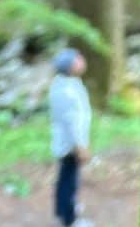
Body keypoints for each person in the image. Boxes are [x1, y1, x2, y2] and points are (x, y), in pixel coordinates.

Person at [49, 48, 92, 227]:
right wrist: (80, 146)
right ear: (69, 66)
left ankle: (62, 209)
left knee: (65, 177)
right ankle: (69, 219)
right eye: (78, 59)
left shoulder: (67, 84)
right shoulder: (66, 90)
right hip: (70, 144)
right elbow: (71, 121)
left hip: (68, 142)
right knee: (69, 181)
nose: (82, 62)